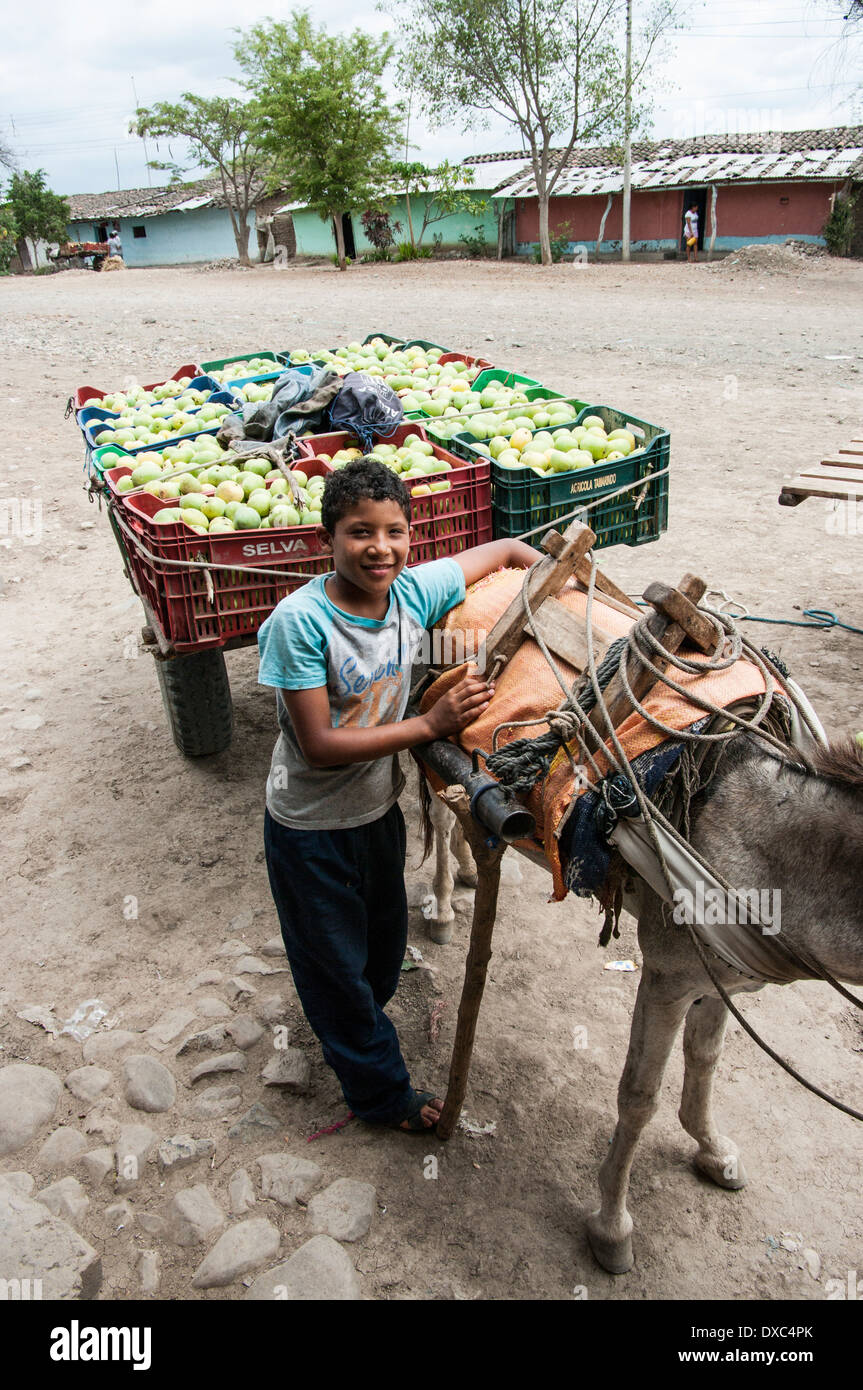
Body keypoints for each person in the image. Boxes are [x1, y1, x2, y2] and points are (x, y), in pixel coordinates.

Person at [258, 458, 538, 1132]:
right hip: (309, 827)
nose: (379, 548)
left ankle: (355, 1021)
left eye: (394, 531)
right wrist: (430, 726)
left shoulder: (411, 594)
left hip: (376, 812)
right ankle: (381, 1097)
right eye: (359, 532)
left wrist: (558, 571)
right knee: (333, 969)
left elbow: (501, 549)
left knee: (381, 948)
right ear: (327, 539)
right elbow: (319, 744)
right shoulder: (300, 623)